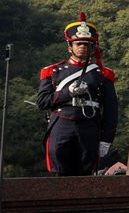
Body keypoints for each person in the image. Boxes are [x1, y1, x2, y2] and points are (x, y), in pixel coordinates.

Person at [36, 14, 118, 176]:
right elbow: (42, 102)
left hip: (89, 125)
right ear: (70, 46)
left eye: (87, 44)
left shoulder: (103, 74)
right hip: (61, 123)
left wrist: (107, 139)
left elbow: (111, 110)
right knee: (60, 170)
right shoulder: (52, 71)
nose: (82, 47)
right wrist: (68, 93)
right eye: (78, 43)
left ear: (92, 48)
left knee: (85, 172)